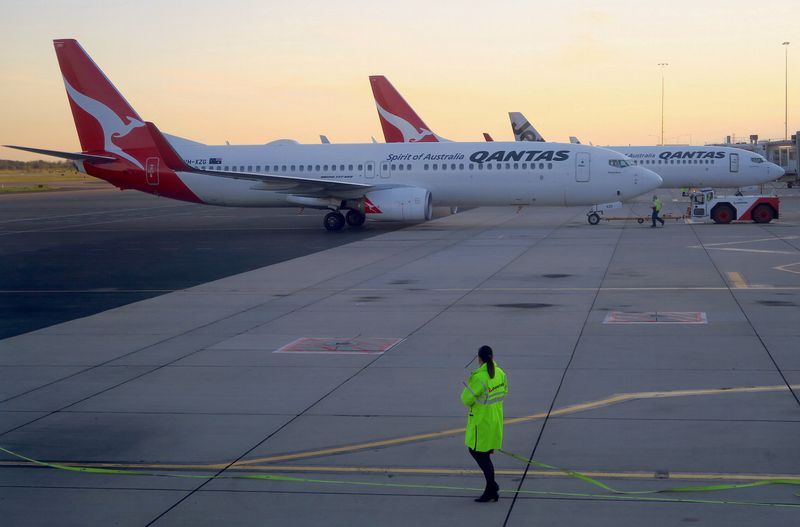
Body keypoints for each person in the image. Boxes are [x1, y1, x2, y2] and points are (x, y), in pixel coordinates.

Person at [460, 345, 508, 502]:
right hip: (495, 419)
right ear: (492, 357)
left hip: (481, 422)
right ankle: (491, 487)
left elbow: (466, 399)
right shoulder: (500, 373)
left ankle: (492, 487)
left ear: (479, 359)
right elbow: (505, 391)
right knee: (484, 454)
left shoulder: (480, 378)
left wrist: (470, 382)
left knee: (477, 453)